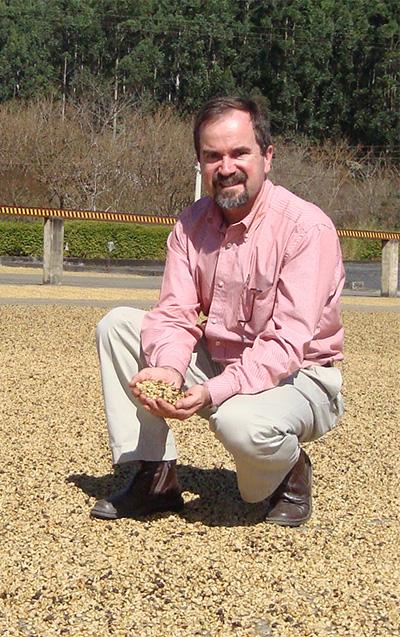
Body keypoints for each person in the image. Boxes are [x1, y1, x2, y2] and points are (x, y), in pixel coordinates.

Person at [91, 96, 345, 527]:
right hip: (222, 360)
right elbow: (174, 312)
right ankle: (155, 478)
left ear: (267, 156)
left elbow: (286, 343)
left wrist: (213, 392)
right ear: (201, 163)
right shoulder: (191, 224)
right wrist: (170, 370)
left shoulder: (306, 229)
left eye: (239, 152)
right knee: (118, 325)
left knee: (238, 422)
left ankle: (289, 471)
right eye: (213, 156)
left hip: (300, 376)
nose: (225, 167)